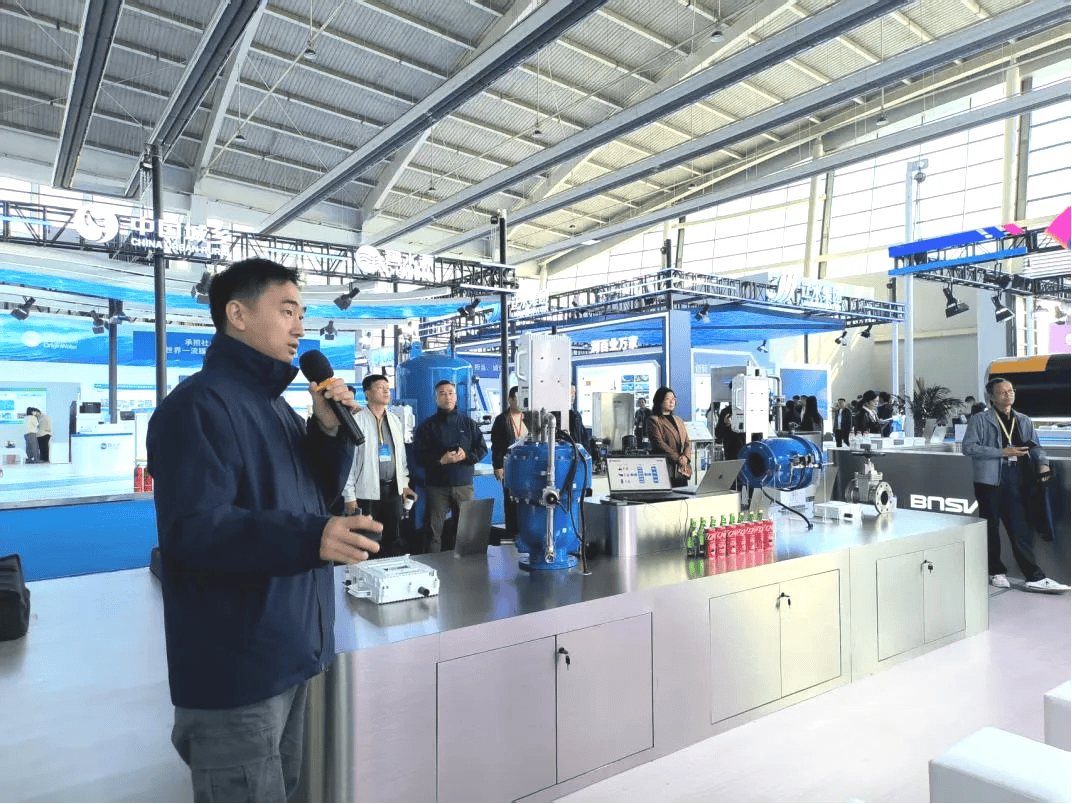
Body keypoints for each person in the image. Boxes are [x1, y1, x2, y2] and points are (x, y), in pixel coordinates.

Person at [146, 257, 384, 803]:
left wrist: (327, 431)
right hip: (236, 669)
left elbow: (315, 496)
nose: (300, 327)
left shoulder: (275, 408)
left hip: (290, 650)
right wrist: (311, 537)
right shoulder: (197, 408)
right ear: (237, 314)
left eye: (301, 314)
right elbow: (196, 529)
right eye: (287, 311)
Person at [962, 377, 1069, 593]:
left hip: (1017, 478)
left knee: (1019, 528)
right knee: (991, 527)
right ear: (991, 397)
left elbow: (1035, 446)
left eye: (1011, 391)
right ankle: (996, 572)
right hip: (990, 480)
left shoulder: (1023, 420)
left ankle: (1034, 576)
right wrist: (1002, 452)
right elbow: (968, 447)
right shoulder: (980, 420)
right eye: (1002, 392)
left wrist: (1043, 463)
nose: (1008, 395)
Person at [342, 374, 416, 557]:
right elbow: (348, 463)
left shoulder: (394, 420)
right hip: (366, 493)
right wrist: (349, 496)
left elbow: (401, 458)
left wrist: (404, 485)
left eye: (387, 387)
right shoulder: (357, 421)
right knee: (368, 542)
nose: (386, 391)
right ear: (367, 393)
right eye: (380, 387)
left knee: (392, 540)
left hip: (392, 491)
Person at [413, 379, 488, 552]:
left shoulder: (468, 423)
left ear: (456, 396)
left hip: (463, 485)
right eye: (442, 394)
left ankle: (466, 565)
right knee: (433, 531)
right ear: (436, 398)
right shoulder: (427, 426)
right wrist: (440, 460)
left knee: (466, 531)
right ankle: (432, 564)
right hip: (437, 487)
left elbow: (482, 449)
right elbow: (419, 457)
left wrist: (466, 456)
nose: (447, 397)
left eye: (450, 393)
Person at [490, 386, 530, 540]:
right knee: (511, 500)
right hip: (510, 467)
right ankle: (512, 533)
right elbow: (497, 445)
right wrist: (498, 466)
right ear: (511, 400)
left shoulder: (530, 417)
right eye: (518, 399)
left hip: (528, 467)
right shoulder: (502, 420)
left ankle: (527, 533)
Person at [646, 386, 692, 487]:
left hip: (682, 469)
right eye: (668, 399)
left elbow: (687, 442)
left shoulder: (678, 420)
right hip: (666, 467)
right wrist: (678, 458)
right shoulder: (654, 420)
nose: (672, 402)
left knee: (683, 494)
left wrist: (685, 457)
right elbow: (659, 443)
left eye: (673, 399)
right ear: (660, 401)